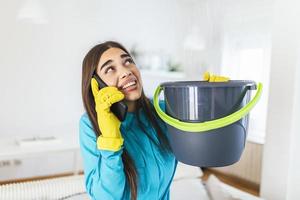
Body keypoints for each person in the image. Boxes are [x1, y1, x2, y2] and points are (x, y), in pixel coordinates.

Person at [79, 41, 178, 200]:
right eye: (110, 69)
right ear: (97, 85)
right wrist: (110, 141)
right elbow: (104, 197)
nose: (126, 71)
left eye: (128, 61)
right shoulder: (90, 124)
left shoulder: (163, 111)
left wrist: (218, 95)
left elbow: (204, 141)